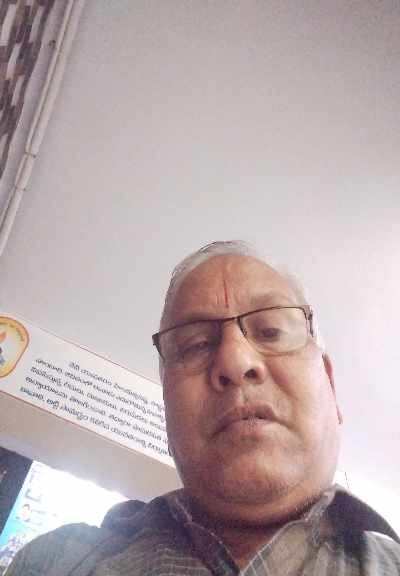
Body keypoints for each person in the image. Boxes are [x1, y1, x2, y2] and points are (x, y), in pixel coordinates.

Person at [6, 241, 400, 575]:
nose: (234, 361)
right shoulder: (54, 564)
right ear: (167, 408)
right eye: (195, 345)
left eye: (270, 331)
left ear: (330, 385)